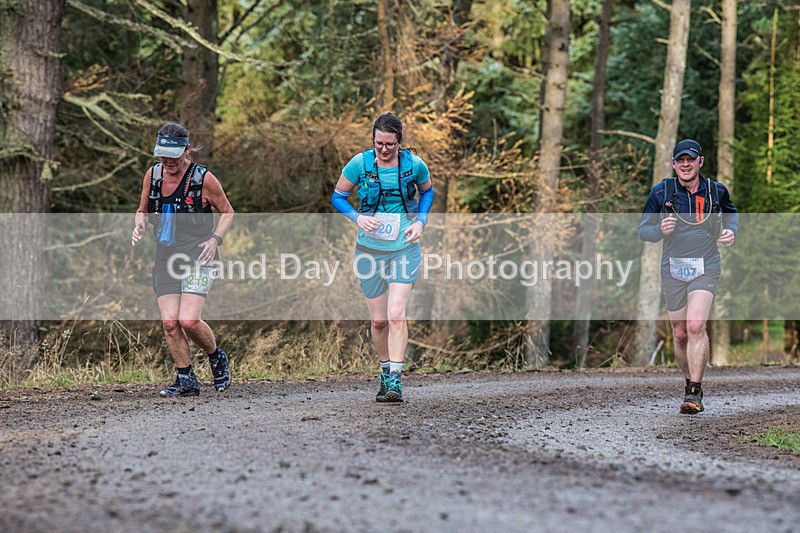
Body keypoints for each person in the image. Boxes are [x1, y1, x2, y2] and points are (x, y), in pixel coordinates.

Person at [331, 113, 434, 402]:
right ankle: (385, 369)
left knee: (396, 315)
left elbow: (427, 192)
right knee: (378, 321)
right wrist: (358, 218)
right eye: (379, 144)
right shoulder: (359, 164)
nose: (384, 149)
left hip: (404, 247)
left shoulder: (414, 165)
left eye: (389, 144)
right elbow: (337, 197)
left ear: (399, 142)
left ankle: (395, 380)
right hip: (369, 250)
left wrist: (420, 222)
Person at [132, 122, 235, 397]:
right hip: (165, 255)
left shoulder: (203, 179)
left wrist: (215, 239)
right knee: (170, 323)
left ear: (187, 150)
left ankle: (216, 356)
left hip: (199, 254)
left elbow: (227, 212)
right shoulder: (152, 176)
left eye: (174, 155)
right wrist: (139, 225)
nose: (168, 161)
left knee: (188, 321)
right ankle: (186, 379)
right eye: (163, 155)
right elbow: (142, 210)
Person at [639, 139, 738, 414]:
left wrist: (731, 232)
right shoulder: (661, 192)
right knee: (680, 333)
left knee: (695, 325)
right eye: (680, 160)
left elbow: (732, 216)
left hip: (706, 266)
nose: (685, 164)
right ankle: (688, 386)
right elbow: (643, 231)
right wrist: (661, 229)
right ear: (673, 164)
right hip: (673, 269)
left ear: (700, 162)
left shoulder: (715, 191)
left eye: (690, 159)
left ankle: (695, 391)